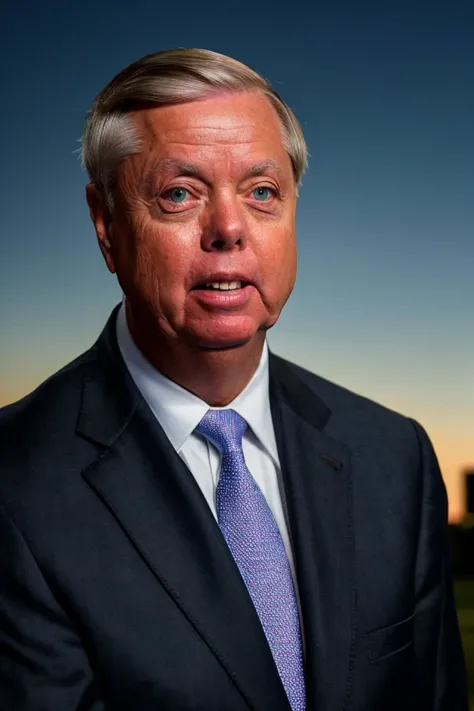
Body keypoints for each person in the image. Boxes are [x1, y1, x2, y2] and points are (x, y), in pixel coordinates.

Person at [0, 48, 468, 711]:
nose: (228, 229)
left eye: (261, 192)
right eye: (180, 193)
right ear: (106, 225)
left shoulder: (396, 457)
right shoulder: (16, 483)